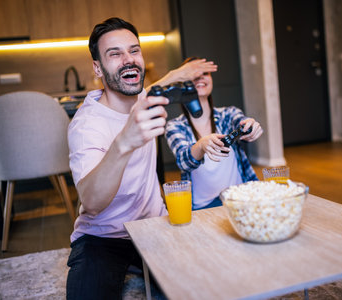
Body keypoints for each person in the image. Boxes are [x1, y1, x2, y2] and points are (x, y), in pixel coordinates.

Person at [66, 18, 217, 299]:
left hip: (154, 226)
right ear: (97, 67)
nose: (128, 60)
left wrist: (179, 72)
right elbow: (92, 202)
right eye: (115, 54)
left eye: (134, 51)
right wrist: (124, 142)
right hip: (103, 237)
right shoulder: (87, 125)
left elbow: (157, 84)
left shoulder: (143, 99)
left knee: (209, 284)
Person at [165, 57, 263, 210]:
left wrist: (250, 125)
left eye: (205, 73)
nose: (200, 77)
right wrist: (201, 145)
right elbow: (184, 161)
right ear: (183, 84)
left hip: (239, 199)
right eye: (194, 74)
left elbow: (241, 121)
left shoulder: (228, 114)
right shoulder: (175, 126)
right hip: (201, 207)